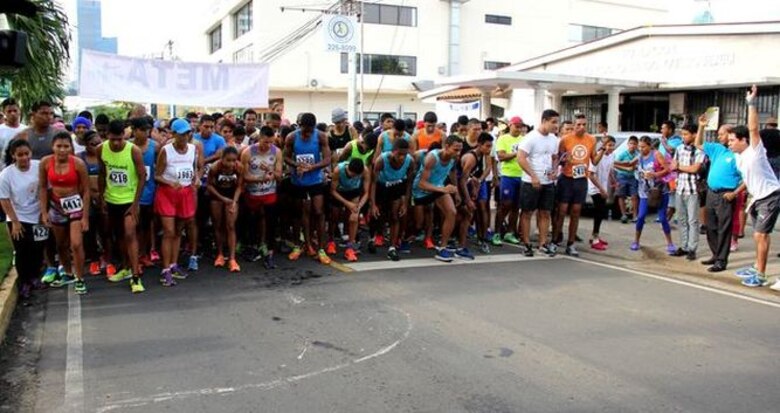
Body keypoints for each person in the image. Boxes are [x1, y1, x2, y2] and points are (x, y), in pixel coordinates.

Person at [730, 86, 780, 290]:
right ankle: (757, 266)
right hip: (756, 198)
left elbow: (752, 128)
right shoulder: (737, 156)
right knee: (757, 235)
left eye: (733, 140)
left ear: (744, 141)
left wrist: (751, 103)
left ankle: (760, 274)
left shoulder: (755, 151)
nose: (730, 143)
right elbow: (748, 179)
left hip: (770, 195)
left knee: (761, 235)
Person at [98, 120, 147, 293]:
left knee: (130, 234)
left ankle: (135, 276)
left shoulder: (133, 150)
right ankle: (125, 267)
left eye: (119, 139)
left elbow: (142, 176)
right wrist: (102, 197)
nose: (117, 143)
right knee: (119, 236)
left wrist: (135, 204)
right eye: (113, 139)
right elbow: (102, 174)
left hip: (129, 200)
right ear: (107, 136)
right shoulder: (101, 149)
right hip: (112, 200)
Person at [39, 132, 90, 294]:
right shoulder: (45, 163)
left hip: (74, 206)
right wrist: (44, 212)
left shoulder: (78, 164)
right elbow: (42, 188)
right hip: (55, 206)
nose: (62, 150)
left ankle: (80, 278)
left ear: (71, 147)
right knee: (61, 244)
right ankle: (68, 273)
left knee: (76, 243)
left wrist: (85, 216)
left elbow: (87, 190)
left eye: (66, 146)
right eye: (59, 146)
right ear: (53, 147)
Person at [155, 118, 202, 286]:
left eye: (187, 133)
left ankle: (174, 264)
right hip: (168, 194)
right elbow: (157, 175)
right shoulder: (165, 151)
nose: (185, 137)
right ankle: (165, 269)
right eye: (181, 134)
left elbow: (195, 169)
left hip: (185, 193)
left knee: (178, 231)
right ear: (173, 134)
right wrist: (169, 182)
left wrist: (196, 178)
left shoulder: (193, 149)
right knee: (168, 231)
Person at [695, 119, 744, 273]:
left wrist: (734, 193)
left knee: (724, 228)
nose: (719, 137)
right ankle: (715, 255)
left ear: (730, 135)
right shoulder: (717, 149)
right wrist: (701, 127)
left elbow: (747, 178)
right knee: (711, 226)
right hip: (711, 192)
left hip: (726, 195)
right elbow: (698, 143)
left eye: (722, 134)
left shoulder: (738, 155)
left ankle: (722, 260)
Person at [283, 113, 332, 264]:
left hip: (315, 180)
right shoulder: (291, 137)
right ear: (299, 126)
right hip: (298, 181)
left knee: (318, 212)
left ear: (314, 128)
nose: (306, 134)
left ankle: (321, 249)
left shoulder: (321, 136)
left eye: (309, 131)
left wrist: (312, 167)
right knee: (299, 214)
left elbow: (328, 159)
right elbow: (285, 157)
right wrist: (297, 165)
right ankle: (299, 245)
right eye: (304, 130)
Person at [0, 139, 45, 302]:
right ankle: (24, 282)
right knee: (22, 250)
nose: (24, 158)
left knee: (37, 248)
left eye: (27, 154)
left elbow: (44, 189)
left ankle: (34, 277)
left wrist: (43, 212)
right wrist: (15, 222)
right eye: (20, 155)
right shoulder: (6, 175)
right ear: (13, 156)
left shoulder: (39, 166)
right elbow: (4, 200)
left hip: (37, 215)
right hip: (18, 216)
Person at [554, 114, 604, 256]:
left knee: (576, 211)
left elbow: (594, 161)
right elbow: (558, 158)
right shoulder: (565, 139)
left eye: (584, 124)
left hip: (581, 178)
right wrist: (566, 160)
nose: (581, 127)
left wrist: (603, 150)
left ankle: (571, 244)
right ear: (574, 126)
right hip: (567, 178)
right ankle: (555, 240)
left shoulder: (591, 139)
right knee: (562, 210)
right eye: (578, 125)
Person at [412, 135, 463, 262]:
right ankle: (405, 239)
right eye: (455, 150)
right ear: (446, 147)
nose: (458, 153)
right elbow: (421, 183)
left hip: (438, 188)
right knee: (418, 224)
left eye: (460, 150)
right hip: (420, 192)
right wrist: (443, 189)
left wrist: (455, 192)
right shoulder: (432, 158)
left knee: (452, 212)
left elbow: (452, 173)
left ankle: (442, 248)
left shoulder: (453, 159)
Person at [517, 110, 560, 257]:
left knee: (545, 212)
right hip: (530, 182)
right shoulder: (531, 138)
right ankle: (527, 243)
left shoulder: (554, 139)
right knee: (527, 212)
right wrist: (533, 175)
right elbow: (521, 158)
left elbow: (554, 157)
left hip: (547, 181)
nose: (556, 125)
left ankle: (543, 244)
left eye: (557, 122)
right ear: (544, 121)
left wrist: (555, 170)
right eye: (553, 122)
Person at [623, 136, 675, 253]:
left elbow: (667, 169)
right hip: (644, 191)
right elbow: (630, 164)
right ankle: (636, 241)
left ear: (649, 146)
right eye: (639, 147)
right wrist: (614, 162)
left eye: (643, 147)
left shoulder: (656, 155)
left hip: (659, 191)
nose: (641, 149)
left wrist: (655, 175)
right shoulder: (640, 156)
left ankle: (670, 243)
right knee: (640, 217)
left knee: (662, 218)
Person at [242, 126, 282, 269]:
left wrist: (271, 171)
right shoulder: (248, 152)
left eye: (271, 142)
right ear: (260, 138)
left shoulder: (276, 152)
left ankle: (269, 253)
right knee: (252, 221)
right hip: (253, 193)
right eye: (265, 142)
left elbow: (279, 175)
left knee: (271, 222)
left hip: (269, 192)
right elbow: (244, 176)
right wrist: (260, 178)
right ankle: (253, 246)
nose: (268, 145)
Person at [370, 138, 416, 261]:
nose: (402, 157)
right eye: (399, 154)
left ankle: (392, 247)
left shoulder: (410, 161)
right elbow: (373, 183)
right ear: (393, 151)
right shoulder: (382, 160)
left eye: (404, 154)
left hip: (396, 187)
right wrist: (373, 204)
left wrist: (405, 203)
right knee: (378, 215)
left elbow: (409, 184)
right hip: (381, 187)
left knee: (395, 216)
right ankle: (374, 237)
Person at [669, 124, 705, 261]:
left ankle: (692, 248)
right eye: (682, 134)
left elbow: (695, 168)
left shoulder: (699, 150)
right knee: (682, 220)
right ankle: (683, 246)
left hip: (693, 190)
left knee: (693, 220)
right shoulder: (679, 148)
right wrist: (680, 167)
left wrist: (679, 167)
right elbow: (673, 166)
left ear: (694, 135)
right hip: (680, 188)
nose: (683, 137)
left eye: (686, 134)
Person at [207, 146, 243, 272]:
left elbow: (239, 186)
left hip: (231, 196)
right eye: (228, 160)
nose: (231, 163)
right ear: (222, 159)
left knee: (231, 225)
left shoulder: (239, 167)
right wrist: (222, 198)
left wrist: (234, 201)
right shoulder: (215, 168)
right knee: (218, 225)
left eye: (234, 160)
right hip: (217, 196)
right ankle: (220, 253)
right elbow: (209, 186)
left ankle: (232, 258)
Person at [79, 131, 109, 276]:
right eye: (93, 144)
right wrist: (90, 195)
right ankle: (94, 259)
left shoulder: (106, 157)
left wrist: (101, 196)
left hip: (104, 197)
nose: (97, 147)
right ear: (85, 145)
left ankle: (107, 257)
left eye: (99, 144)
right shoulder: (80, 159)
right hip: (87, 200)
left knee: (105, 230)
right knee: (89, 232)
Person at [459, 132, 494, 256]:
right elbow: (462, 180)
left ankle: (478, 240)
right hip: (459, 185)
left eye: (491, 146)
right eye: (487, 146)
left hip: (471, 183)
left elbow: (470, 177)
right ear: (479, 145)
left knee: (473, 212)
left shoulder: (482, 155)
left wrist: (476, 183)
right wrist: (467, 199)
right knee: (465, 213)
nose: (489, 149)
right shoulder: (471, 157)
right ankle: (460, 246)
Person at [492, 116, 525, 246]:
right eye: (516, 126)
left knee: (516, 206)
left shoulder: (524, 139)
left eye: (520, 126)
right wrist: (517, 153)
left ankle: (510, 232)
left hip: (522, 175)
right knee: (505, 204)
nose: (518, 128)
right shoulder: (503, 138)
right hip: (507, 175)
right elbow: (501, 156)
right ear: (510, 125)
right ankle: (497, 232)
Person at [131, 118, 159, 268]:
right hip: (131, 192)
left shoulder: (155, 147)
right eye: (142, 130)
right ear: (134, 130)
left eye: (148, 130)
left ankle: (145, 254)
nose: (146, 133)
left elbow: (161, 167)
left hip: (149, 191)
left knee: (147, 227)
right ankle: (134, 257)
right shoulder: (127, 146)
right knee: (133, 227)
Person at [329, 158, 370, 261]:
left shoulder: (365, 171)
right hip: (339, 192)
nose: (354, 176)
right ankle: (331, 240)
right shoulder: (339, 170)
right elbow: (333, 191)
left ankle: (350, 246)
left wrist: (358, 207)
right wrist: (347, 203)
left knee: (354, 218)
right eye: (352, 175)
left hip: (354, 192)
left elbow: (366, 193)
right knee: (334, 215)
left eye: (357, 175)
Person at [587, 136, 616, 250]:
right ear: (603, 145)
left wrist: (613, 179)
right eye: (609, 145)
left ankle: (596, 235)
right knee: (599, 213)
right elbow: (591, 174)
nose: (611, 148)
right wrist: (601, 189)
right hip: (595, 188)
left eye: (613, 145)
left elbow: (609, 170)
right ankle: (595, 239)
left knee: (602, 212)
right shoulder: (598, 156)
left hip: (603, 187)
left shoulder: (611, 156)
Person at [613, 136, 640, 223]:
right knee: (621, 195)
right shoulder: (623, 154)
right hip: (622, 176)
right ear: (628, 144)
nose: (632, 146)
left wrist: (635, 167)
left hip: (633, 177)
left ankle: (635, 215)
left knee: (634, 196)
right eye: (631, 143)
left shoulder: (637, 154)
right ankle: (623, 215)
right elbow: (614, 164)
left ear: (637, 145)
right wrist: (625, 168)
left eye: (634, 144)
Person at [0, 98, 25, 171]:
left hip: (22, 171)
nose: (12, 113)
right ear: (4, 113)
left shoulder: (26, 130)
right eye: (9, 111)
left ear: (19, 111)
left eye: (15, 111)